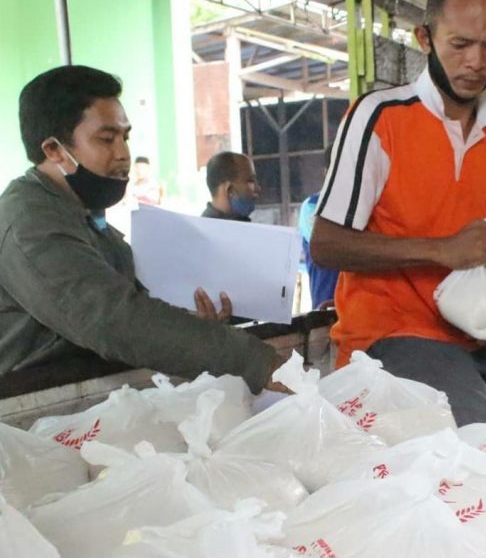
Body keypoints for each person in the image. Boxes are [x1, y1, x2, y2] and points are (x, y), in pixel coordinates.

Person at [310, 0, 486, 426]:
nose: (475, 62)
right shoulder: (379, 117)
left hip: (476, 340)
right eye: (460, 43)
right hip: (386, 339)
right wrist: (441, 250)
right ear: (425, 38)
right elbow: (326, 244)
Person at [0, 65, 285, 394]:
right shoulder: (27, 222)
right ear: (53, 150)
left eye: (125, 137)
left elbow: (135, 301)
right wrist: (256, 363)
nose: (123, 154)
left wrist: (186, 317)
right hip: (28, 419)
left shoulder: (85, 218)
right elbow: (116, 320)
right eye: (106, 139)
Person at [298, 147, 339, 309]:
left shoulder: (363, 208)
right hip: (326, 306)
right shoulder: (312, 207)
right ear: (326, 172)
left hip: (358, 307)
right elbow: (331, 246)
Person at [201, 151, 260, 221]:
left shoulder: (238, 224)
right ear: (230, 190)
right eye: (250, 181)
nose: (258, 188)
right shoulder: (208, 229)